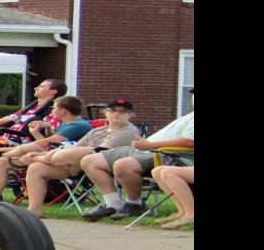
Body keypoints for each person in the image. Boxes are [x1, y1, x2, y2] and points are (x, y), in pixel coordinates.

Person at [14, 98, 141, 218]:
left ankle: (34, 158)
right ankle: (34, 210)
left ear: (129, 115)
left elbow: (98, 150)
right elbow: (75, 146)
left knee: (64, 154)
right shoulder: (97, 131)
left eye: (122, 112)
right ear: (106, 113)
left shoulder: (129, 131)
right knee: (37, 168)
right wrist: (41, 155)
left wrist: (42, 156)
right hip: (76, 164)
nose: (116, 114)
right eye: (112, 111)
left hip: (104, 165)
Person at [82, 90, 194, 221]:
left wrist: (150, 146)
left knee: (123, 165)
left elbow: (190, 142)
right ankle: (112, 204)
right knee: (90, 161)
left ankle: (134, 204)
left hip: (166, 153)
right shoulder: (189, 116)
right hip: (143, 148)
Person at [0, 95, 91, 202]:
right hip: (52, 156)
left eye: (54, 108)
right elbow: (50, 144)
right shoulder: (66, 124)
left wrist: (7, 150)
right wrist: (42, 129)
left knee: (32, 146)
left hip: (69, 164)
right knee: (1, 162)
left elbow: (48, 142)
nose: (52, 111)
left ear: (63, 111)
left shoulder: (78, 125)